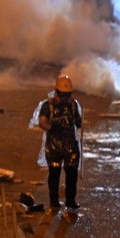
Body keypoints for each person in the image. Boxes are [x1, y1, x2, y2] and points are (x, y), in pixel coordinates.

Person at [37, 75, 82, 210]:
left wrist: (79, 122)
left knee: (72, 175)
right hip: (54, 146)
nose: (64, 98)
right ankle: (54, 201)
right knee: (54, 174)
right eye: (62, 95)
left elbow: (77, 121)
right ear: (56, 92)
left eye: (67, 95)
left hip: (70, 145)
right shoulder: (48, 106)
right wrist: (52, 127)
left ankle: (70, 200)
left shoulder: (73, 105)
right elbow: (42, 122)